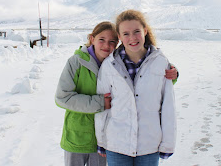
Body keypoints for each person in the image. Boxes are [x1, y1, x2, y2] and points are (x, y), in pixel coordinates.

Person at [55, 21, 178, 166]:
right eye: (102, 40)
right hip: (77, 135)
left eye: (112, 41)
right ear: (92, 38)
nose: (106, 45)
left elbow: (147, 82)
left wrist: (173, 74)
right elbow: (62, 97)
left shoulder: (115, 63)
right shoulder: (77, 62)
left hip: (104, 139)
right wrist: (99, 103)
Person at [95, 10, 177, 166]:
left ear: (145, 31)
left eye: (136, 32)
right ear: (119, 37)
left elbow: (168, 106)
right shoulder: (108, 66)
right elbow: (103, 107)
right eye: (125, 34)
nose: (132, 38)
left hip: (149, 146)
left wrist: (168, 143)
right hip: (117, 145)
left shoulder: (160, 63)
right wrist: (102, 140)